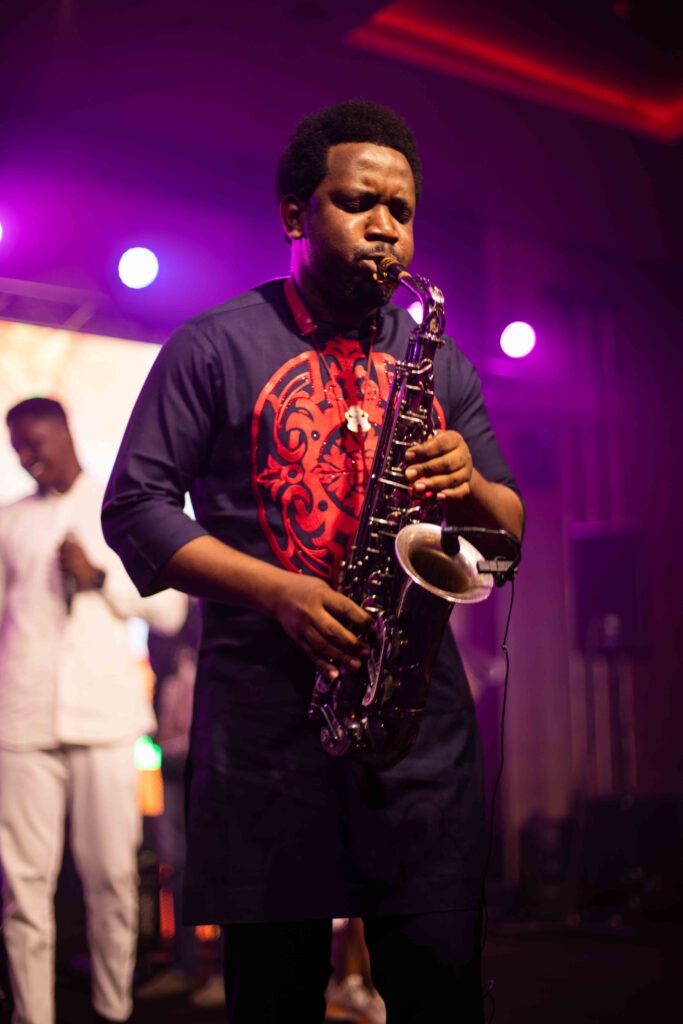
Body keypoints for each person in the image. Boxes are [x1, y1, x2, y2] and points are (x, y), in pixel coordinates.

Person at [102, 99, 524, 1023]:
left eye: (401, 210)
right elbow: (135, 508)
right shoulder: (214, 344)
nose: (385, 226)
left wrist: (469, 487)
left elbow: (506, 536)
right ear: (296, 214)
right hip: (268, 733)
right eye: (358, 202)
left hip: (417, 729)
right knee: (276, 999)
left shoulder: (439, 361)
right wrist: (280, 592)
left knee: (441, 993)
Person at [0, 397, 187, 1024]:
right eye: (17, 447)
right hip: (21, 719)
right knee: (23, 887)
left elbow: (171, 609)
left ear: (65, 432)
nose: (27, 457)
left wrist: (100, 576)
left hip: (106, 720)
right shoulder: (9, 521)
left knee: (111, 878)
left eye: (35, 442)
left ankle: (112, 1011)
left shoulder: (123, 508)